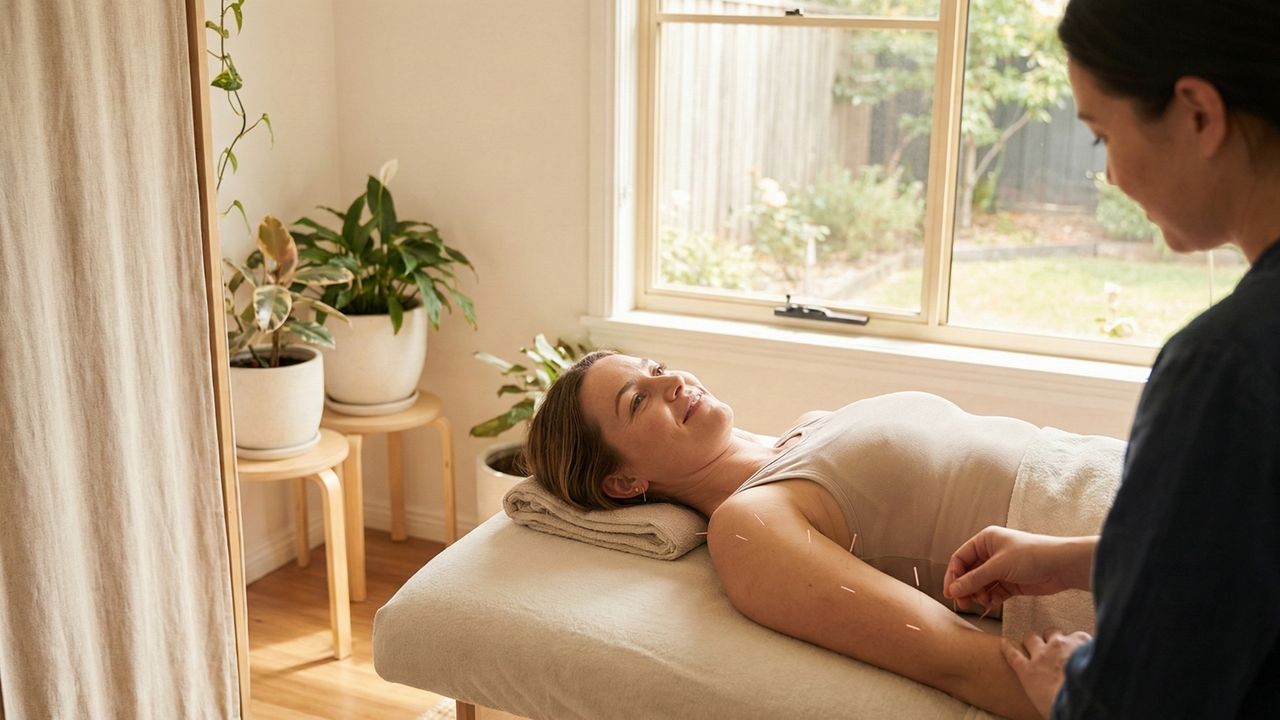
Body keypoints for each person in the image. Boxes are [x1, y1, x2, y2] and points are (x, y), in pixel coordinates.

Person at [943, 1, 1280, 717]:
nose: (1113, 177)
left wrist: (1072, 688)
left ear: (1197, 112)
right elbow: (1243, 545)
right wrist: (1081, 558)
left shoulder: (1227, 367)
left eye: (1100, 137)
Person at [525, 349, 1117, 720]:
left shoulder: (806, 429)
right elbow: (950, 656)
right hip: (1119, 557)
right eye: (639, 399)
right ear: (625, 482)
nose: (673, 381)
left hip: (1135, 483)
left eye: (656, 369)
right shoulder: (750, 523)